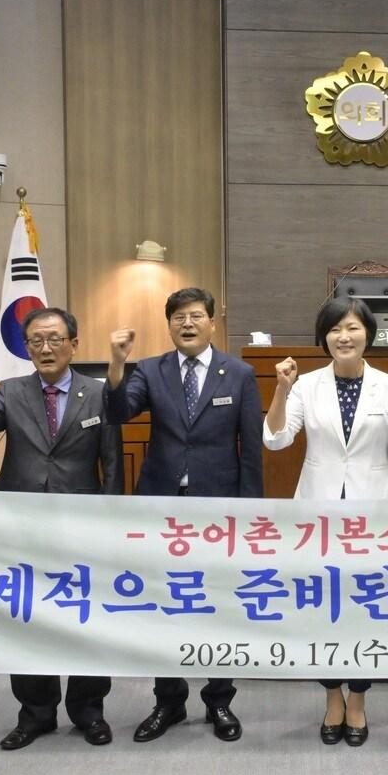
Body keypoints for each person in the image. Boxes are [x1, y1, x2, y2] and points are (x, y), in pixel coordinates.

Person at [0, 306, 122, 750]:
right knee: (26, 615)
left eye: (55, 339)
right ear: (27, 347)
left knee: (85, 618)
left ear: (74, 343)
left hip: (82, 522)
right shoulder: (11, 390)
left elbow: (111, 461)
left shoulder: (97, 392)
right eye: (36, 340)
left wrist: (113, 520)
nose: (46, 348)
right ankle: (35, 713)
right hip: (20, 523)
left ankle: (89, 710)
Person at [106, 287, 262, 744]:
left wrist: (250, 517)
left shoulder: (239, 373)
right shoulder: (151, 370)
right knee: (164, 605)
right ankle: (168, 701)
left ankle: (220, 701)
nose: (187, 324)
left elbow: (250, 450)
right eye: (178, 318)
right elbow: (119, 411)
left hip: (220, 509)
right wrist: (117, 363)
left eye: (196, 316)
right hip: (162, 507)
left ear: (213, 323)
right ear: (169, 324)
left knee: (216, 605)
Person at [263, 297, 388, 747]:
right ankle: (332, 697)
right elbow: (275, 440)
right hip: (318, 514)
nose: (343, 337)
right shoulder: (306, 385)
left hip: (372, 513)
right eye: (334, 330)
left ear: (368, 333)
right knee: (324, 608)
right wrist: (282, 390)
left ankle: (360, 701)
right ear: (323, 337)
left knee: (364, 609)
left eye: (352, 328)